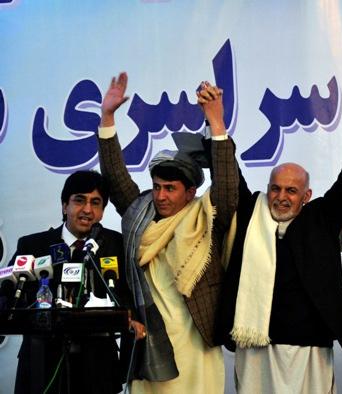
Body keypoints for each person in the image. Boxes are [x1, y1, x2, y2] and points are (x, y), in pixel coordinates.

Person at [210, 88, 342, 393]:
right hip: (257, 346)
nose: (281, 197)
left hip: (308, 348)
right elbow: (229, 174)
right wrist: (216, 123)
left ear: (306, 196)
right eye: (276, 189)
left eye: (291, 191)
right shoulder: (251, 214)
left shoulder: (320, 218)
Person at [97, 73, 237, 393]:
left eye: (170, 189)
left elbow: (228, 188)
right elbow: (116, 177)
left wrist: (216, 123)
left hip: (196, 348)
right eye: (157, 187)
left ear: (190, 192)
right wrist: (107, 118)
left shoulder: (206, 218)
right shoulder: (141, 215)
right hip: (151, 348)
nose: (160, 196)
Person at [9, 170, 132, 394]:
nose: (87, 209)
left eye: (96, 203)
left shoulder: (117, 245)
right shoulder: (32, 246)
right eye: (79, 200)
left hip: (97, 366)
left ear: (102, 212)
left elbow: (129, 299)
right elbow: (8, 297)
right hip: (42, 362)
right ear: (65, 206)